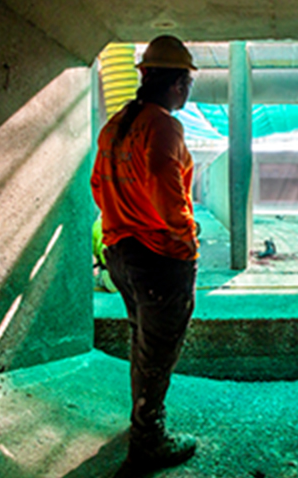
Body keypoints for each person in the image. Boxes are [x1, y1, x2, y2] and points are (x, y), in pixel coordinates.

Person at [90, 35, 199, 471]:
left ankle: (142, 419)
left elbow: (99, 187)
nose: (188, 92)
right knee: (158, 351)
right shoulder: (163, 125)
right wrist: (185, 238)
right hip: (159, 257)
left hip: (122, 252)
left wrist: (125, 217)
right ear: (176, 84)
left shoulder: (115, 124)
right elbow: (164, 182)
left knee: (143, 339)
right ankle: (148, 440)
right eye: (187, 83)